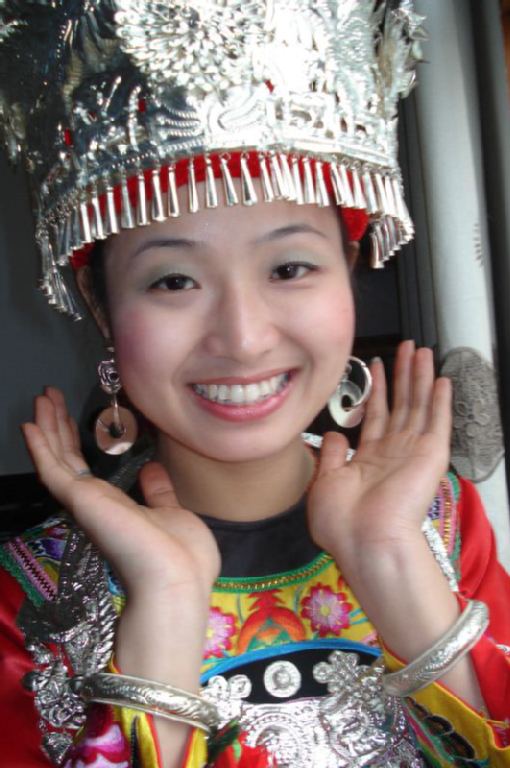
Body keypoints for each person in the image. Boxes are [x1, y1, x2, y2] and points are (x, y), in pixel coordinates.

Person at [0, 2, 509, 767]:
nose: (242, 338)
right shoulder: (31, 600)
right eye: (174, 280)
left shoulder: (438, 524)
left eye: (290, 268)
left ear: (349, 274)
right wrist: (165, 610)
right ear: (103, 311)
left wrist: (394, 565)